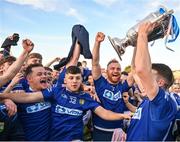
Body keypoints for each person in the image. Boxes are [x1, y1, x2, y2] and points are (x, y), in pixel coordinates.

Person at [0, 65, 131, 141]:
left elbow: (104, 113)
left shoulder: (86, 98)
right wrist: (4, 96)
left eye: (78, 78)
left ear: (81, 80)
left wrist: (122, 116)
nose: (74, 81)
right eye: (71, 78)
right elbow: (28, 98)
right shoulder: (56, 92)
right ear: (65, 80)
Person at [125, 22, 178, 141]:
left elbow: (142, 70)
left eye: (150, 75)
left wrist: (143, 34)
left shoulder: (164, 101)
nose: (143, 79)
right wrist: (136, 41)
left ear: (160, 83)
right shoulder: (150, 98)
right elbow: (135, 69)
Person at [91, 32, 134, 141]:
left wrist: (136, 45)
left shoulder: (123, 87)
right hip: (100, 132)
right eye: (112, 68)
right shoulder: (100, 83)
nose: (115, 71)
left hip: (118, 132)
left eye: (118, 69)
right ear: (107, 70)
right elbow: (95, 63)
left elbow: (135, 69)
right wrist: (97, 43)